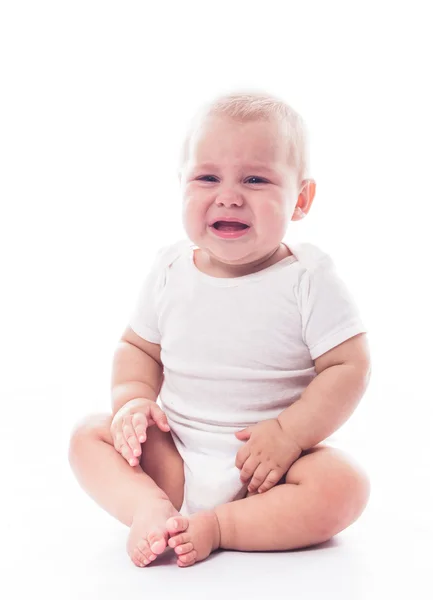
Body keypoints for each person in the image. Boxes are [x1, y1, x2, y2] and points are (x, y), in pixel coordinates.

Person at [68, 91, 372, 568]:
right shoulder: (170, 269)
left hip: (268, 470)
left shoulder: (308, 278)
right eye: (207, 177)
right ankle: (150, 507)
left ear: (301, 199)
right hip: (176, 457)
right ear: (182, 185)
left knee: (345, 484)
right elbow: (138, 348)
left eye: (255, 179)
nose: (228, 195)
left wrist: (289, 435)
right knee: (88, 436)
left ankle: (224, 526)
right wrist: (132, 401)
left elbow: (348, 366)